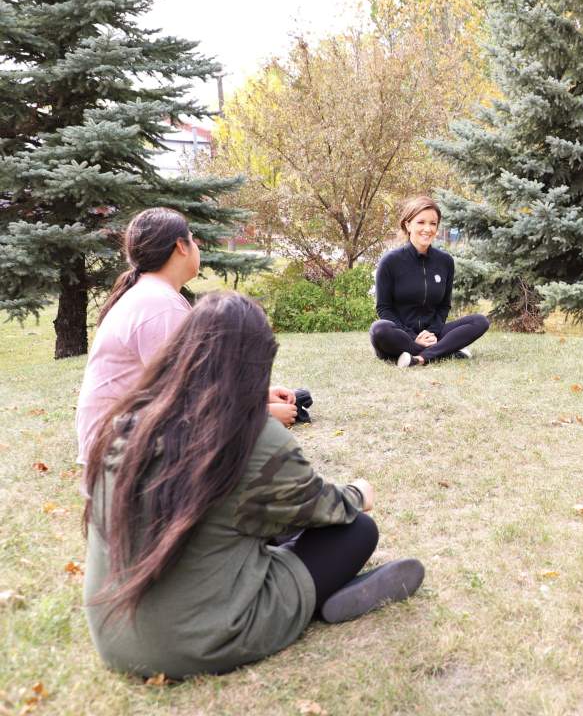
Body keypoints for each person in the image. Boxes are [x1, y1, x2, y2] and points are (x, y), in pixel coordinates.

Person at [83, 292, 425, 679]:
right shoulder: (252, 438)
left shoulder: (129, 417)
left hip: (112, 633)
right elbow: (321, 506)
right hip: (195, 641)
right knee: (357, 530)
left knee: (252, 518)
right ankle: (319, 599)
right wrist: (359, 492)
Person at [75, 208, 301, 464]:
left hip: (125, 441)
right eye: (192, 239)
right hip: (120, 456)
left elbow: (196, 383)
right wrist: (262, 418)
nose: (196, 247)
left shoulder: (153, 295)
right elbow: (189, 399)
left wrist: (258, 395)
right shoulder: (158, 304)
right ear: (180, 247)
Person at [369, 196, 489, 367]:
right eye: (421, 222)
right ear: (408, 225)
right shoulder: (390, 261)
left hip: (433, 334)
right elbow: (384, 308)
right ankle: (446, 351)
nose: (427, 229)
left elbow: (444, 306)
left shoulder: (445, 261)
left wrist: (432, 332)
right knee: (379, 329)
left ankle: (419, 358)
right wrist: (412, 336)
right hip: (401, 336)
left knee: (479, 321)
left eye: (433, 223)